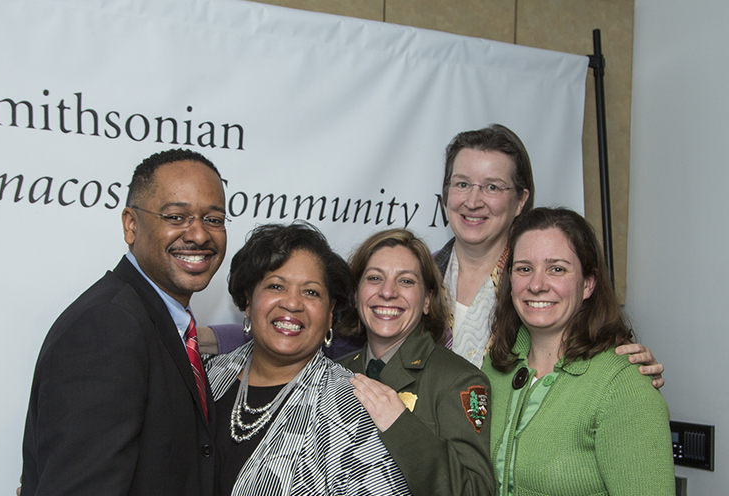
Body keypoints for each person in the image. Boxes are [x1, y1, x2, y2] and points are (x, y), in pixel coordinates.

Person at [203, 124, 665, 388]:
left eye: (492, 187)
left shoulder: (537, 289)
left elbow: (592, 350)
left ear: (521, 200)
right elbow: (333, 330)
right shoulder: (418, 277)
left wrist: (626, 366)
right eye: (461, 184)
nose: (473, 200)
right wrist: (216, 338)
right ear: (444, 196)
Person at [3, 148, 228, 496]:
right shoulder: (108, 328)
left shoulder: (161, 327)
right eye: (176, 216)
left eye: (212, 218)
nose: (198, 234)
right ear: (131, 224)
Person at [205, 222, 416, 496]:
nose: (292, 304)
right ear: (248, 300)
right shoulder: (207, 383)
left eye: (312, 292)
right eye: (276, 285)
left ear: (331, 313)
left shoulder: (350, 405)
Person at [484, 208, 688, 496]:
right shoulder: (497, 372)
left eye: (558, 269)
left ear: (589, 284)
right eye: (524, 268)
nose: (538, 283)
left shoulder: (622, 384)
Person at [342, 229, 499, 496]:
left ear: (428, 300)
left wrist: (399, 424)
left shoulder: (458, 380)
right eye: (374, 278)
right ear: (356, 293)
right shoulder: (336, 374)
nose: (388, 292)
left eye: (406, 281)